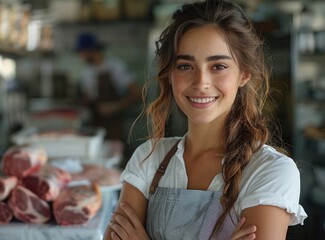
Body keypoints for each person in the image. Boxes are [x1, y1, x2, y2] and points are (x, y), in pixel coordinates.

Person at [104, 0, 307, 239]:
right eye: (185, 66)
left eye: (218, 66)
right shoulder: (148, 158)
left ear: (244, 74)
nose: (201, 83)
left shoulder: (270, 171)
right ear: (169, 75)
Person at [75, 32, 140, 141]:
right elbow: (88, 98)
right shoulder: (87, 72)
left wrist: (114, 107)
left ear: (90, 50)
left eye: (81, 52)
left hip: (114, 125)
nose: (80, 56)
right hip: (95, 126)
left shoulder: (116, 67)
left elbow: (136, 94)